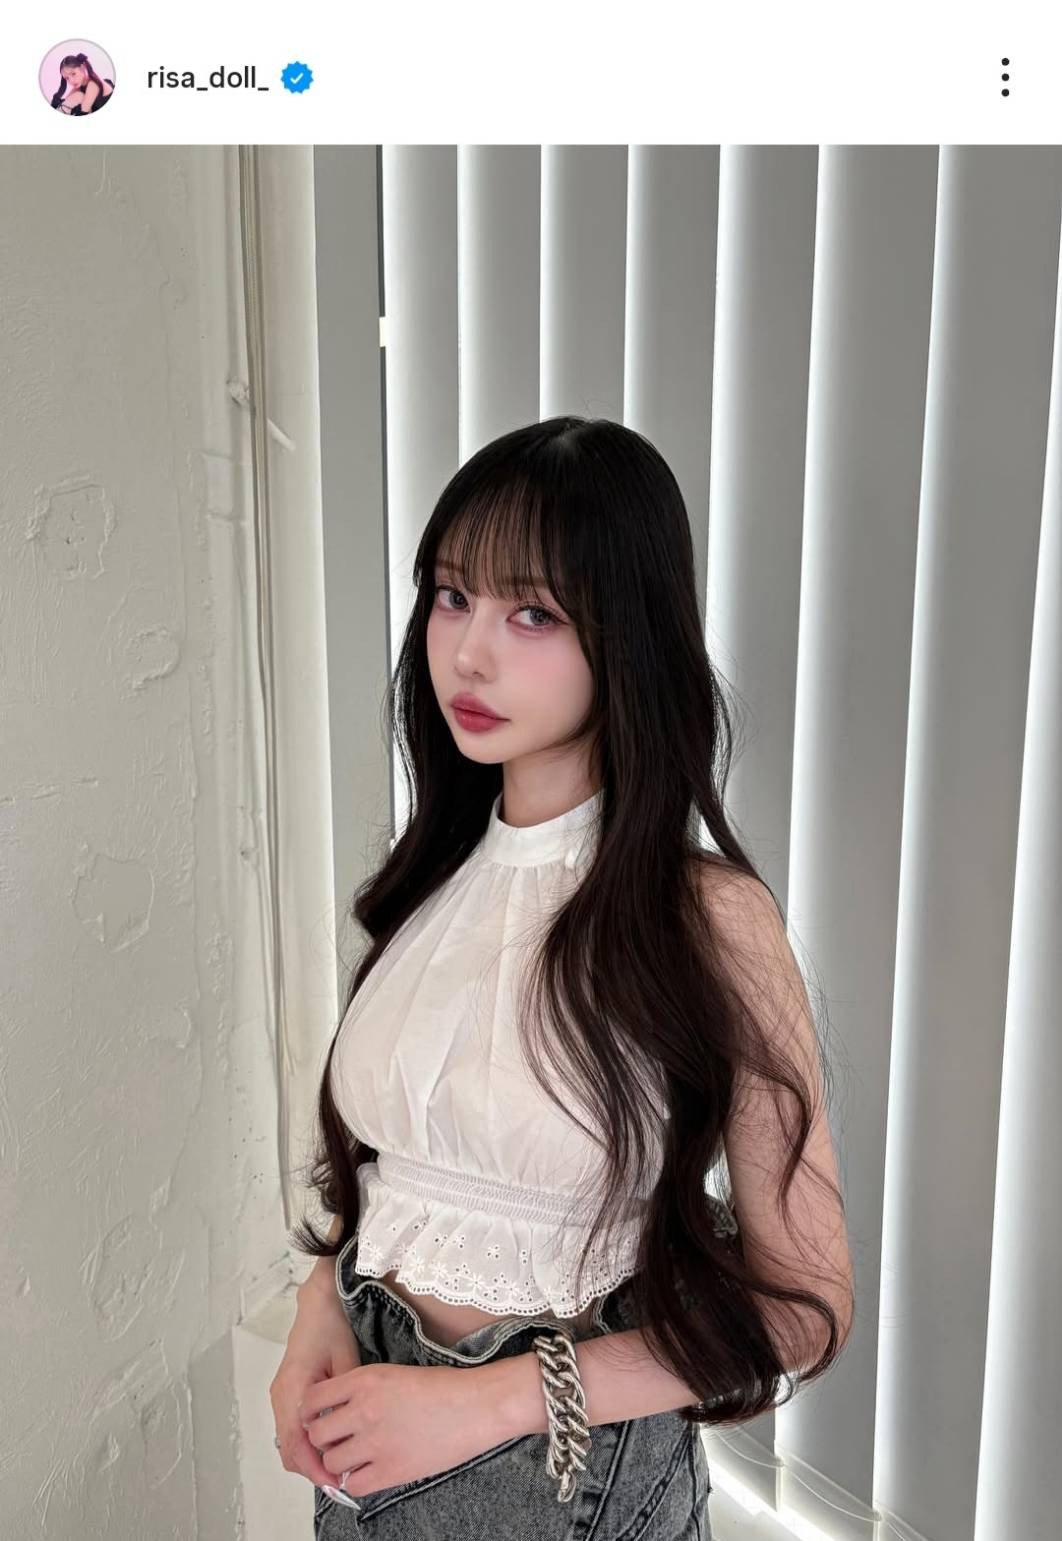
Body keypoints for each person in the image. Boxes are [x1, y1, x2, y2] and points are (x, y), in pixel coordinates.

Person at [270, 415, 856, 1537]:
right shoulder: (437, 881)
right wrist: (321, 1308)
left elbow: (806, 1306)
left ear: (627, 635)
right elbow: (403, 1177)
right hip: (369, 1440)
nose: (468, 653)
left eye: (532, 612)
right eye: (452, 596)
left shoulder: (707, 915)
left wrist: (489, 1399)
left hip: (557, 1477)